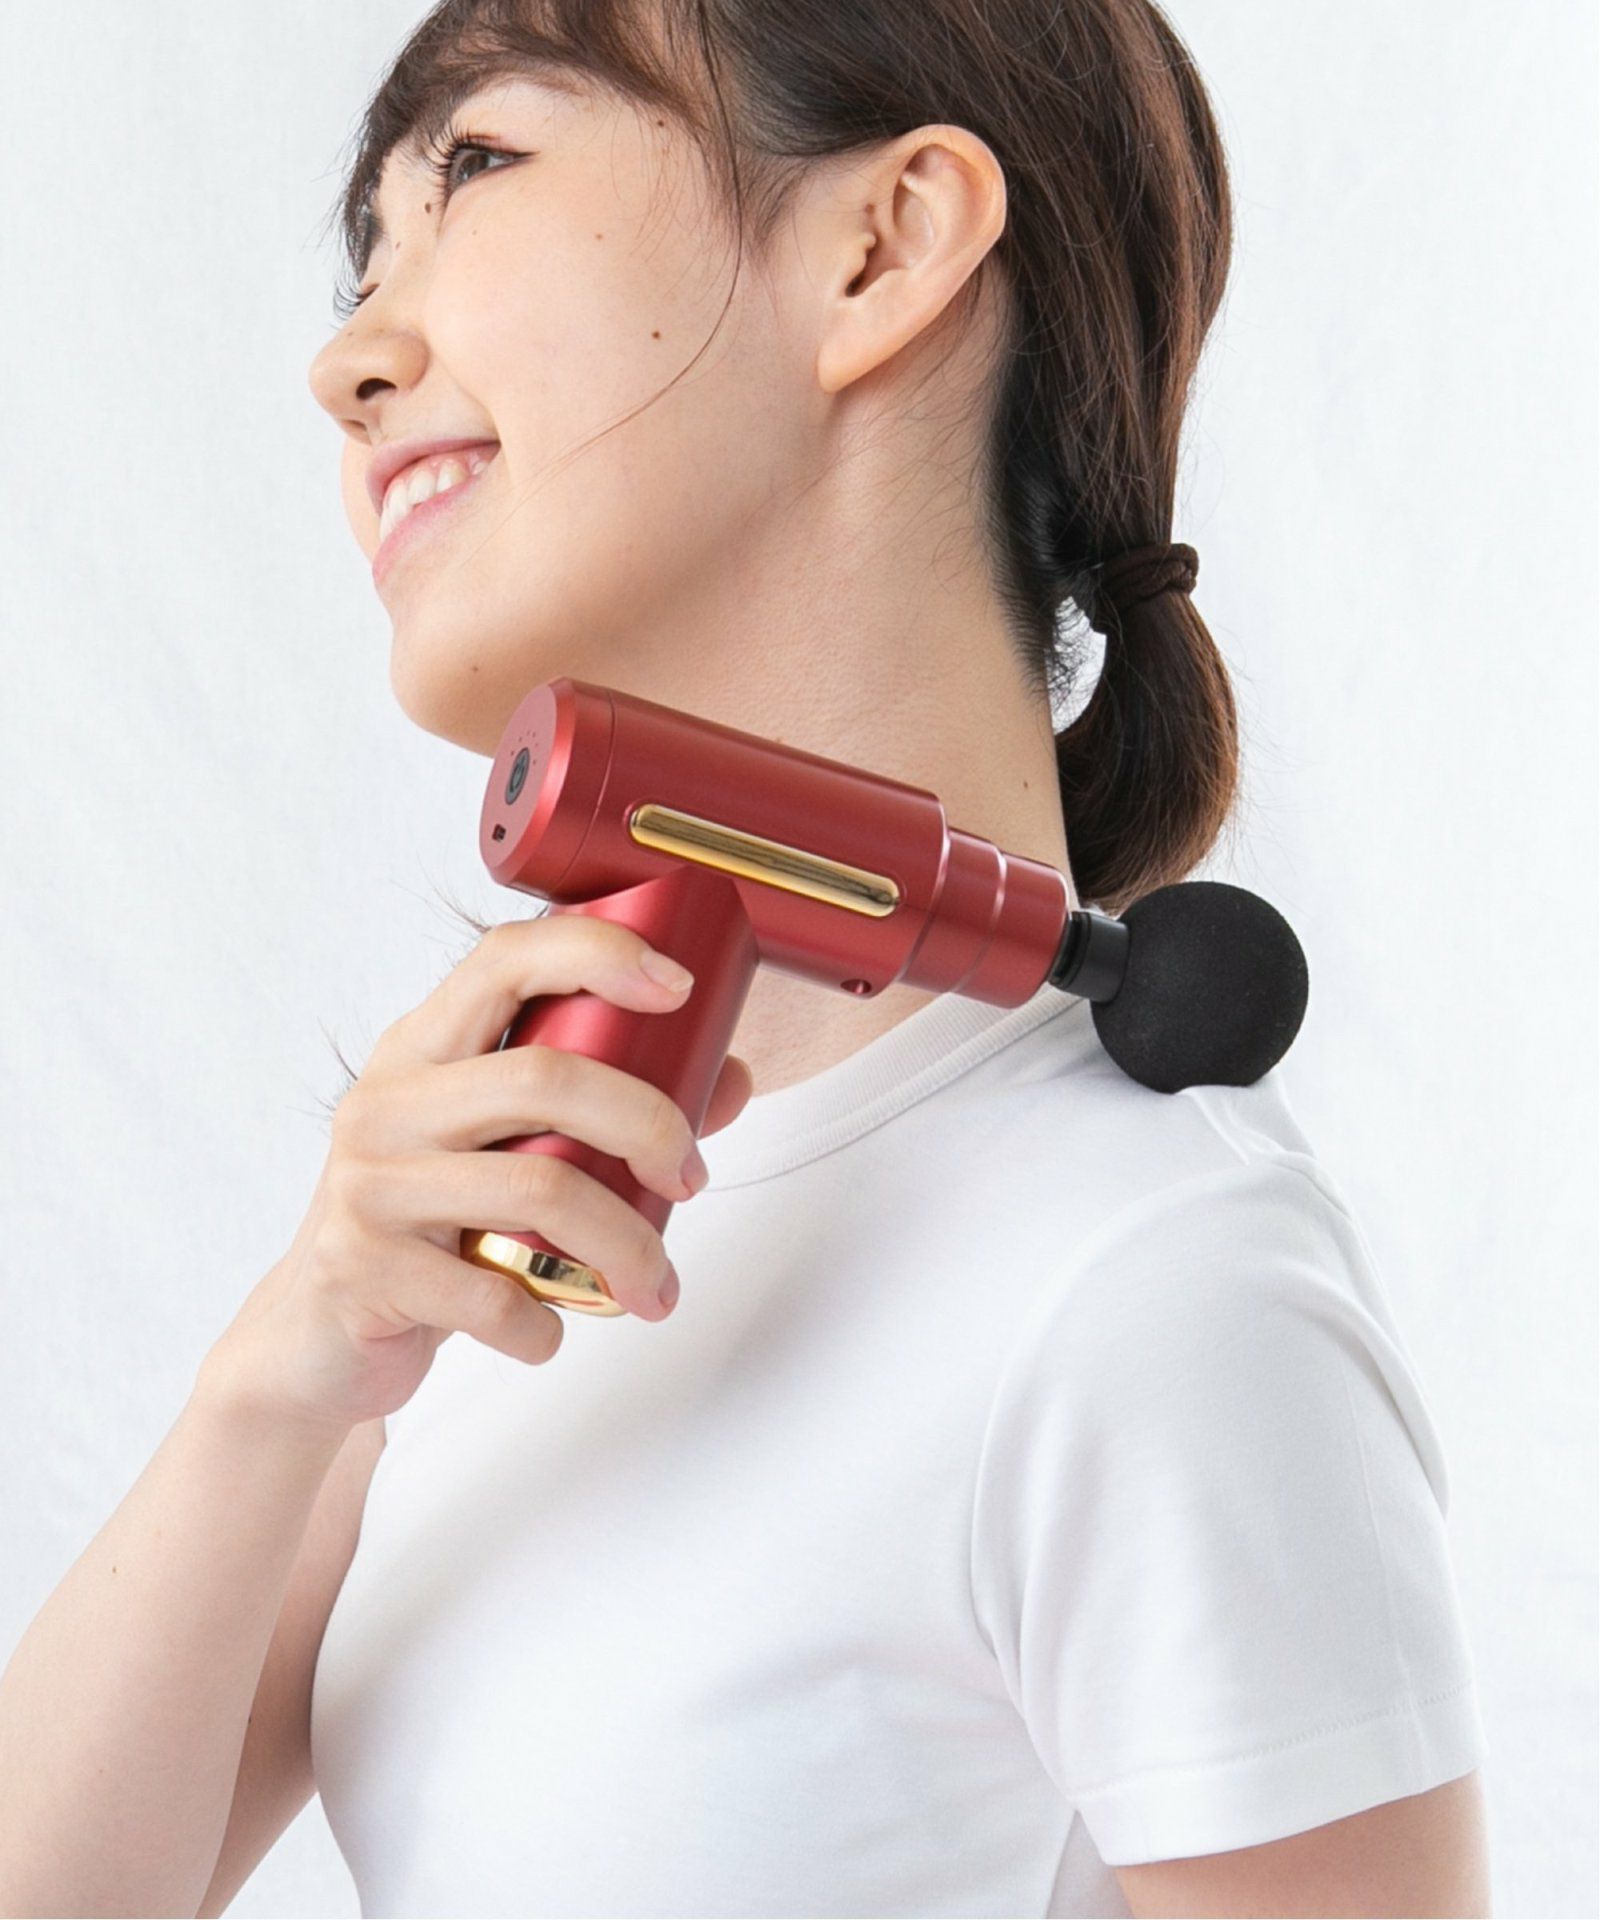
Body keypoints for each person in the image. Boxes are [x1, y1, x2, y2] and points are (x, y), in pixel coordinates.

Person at [0, 1, 1493, 1915]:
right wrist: (279, 1377)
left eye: (476, 167)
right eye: (365, 254)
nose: (347, 359)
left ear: (881, 246)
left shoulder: (1159, 1287)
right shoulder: (503, 1249)